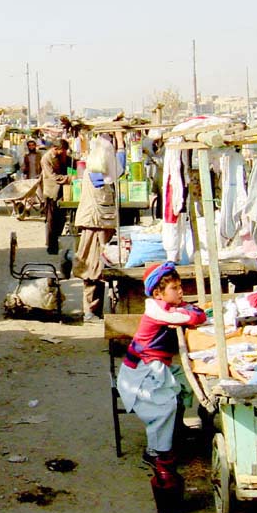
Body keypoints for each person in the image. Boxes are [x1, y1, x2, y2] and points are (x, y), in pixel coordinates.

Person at [116, 261, 206, 486]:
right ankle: (156, 451)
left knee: (188, 382)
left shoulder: (167, 307)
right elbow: (194, 316)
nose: (181, 291)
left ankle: (177, 430)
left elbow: (192, 311)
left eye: (179, 286)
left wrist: (187, 308)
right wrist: (188, 311)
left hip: (156, 366)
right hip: (140, 372)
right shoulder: (156, 310)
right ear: (158, 293)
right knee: (165, 405)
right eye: (174, 288)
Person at [72, 131, 125, 319]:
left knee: (101, 268)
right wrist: (120, 144)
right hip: (95, 224)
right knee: (92, 267)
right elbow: (118, 171)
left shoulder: (98, 169)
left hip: (100, 223)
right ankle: (90, 311)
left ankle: (96, 310)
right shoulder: (95, 172)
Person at [41, 138, 76, 254]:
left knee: (61, 219)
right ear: (55, 149)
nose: (64, 153)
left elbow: (73, 163)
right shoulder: (46, 159)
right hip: (51, 193)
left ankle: (57, 243)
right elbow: (53, 177)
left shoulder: (63, 156)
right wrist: (69, 178)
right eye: (63, 151)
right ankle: (51, 247)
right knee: (52, 221)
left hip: (62, 192)